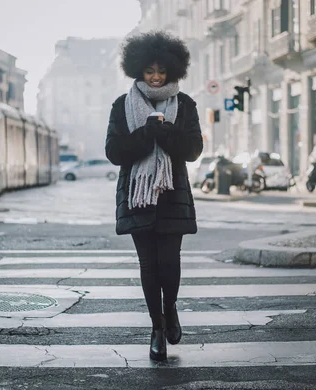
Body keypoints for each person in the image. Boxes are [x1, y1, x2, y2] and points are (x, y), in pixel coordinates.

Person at [105, 31, 203, 362]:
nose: (156, 76)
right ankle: (157, 328)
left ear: (172, 70)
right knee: (148, 264)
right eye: (150, 71)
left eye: (161, 71)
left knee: (170, 263)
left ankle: (170, 308)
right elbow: (114, 152)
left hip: (173, 193)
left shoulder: (185, 105)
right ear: (138, 70)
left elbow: (193, 150)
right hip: (137, 195)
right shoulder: (122, 106)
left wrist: (167, 132)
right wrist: (147, 134)